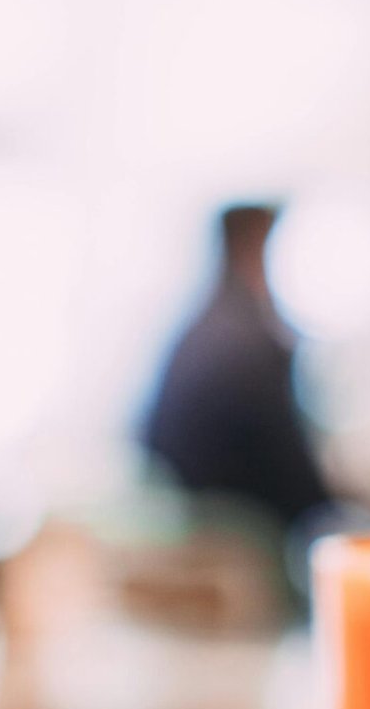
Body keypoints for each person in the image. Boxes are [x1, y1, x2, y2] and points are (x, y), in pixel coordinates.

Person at [142, 203, 333, 535]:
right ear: (257, 248)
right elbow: (296, 479)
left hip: (191, 528)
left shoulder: (198, 328)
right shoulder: (249, 344)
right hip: (244, 541)